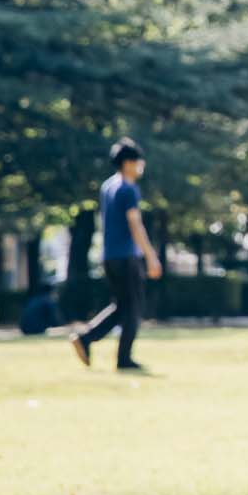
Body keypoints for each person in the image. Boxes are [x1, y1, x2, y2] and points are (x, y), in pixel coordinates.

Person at [69, 138, 164, 373]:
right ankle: (124, 358)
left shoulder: (108, 186)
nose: (142, 164)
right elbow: (135, 224)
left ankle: (86, 337)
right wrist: (151, 256)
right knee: (133, 308)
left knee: (121, 306)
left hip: (109, 255)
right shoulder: (128, 188)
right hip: (125, 255)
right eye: (138, 160)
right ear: (129, 163)